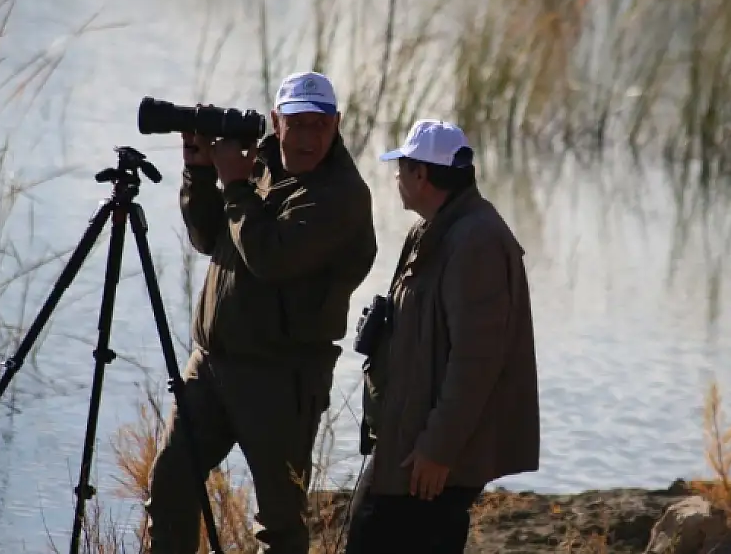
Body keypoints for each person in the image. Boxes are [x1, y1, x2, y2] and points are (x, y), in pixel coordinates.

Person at [145, 71, 378, 554]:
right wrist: (199, 172)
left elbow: (271, 258)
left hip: (281, 377)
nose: (309, 136)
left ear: (336, 124)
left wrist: (234, 185)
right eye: (298, 124)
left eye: (320, 124)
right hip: (212, 364)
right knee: (170, 483)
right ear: (276, 120)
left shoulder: (341, 195)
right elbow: (210, 238)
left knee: (279, 524)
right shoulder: (260, 164)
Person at [344, 119, 541, 554]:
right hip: (408, 444)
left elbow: (477, 361)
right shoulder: (434, 229)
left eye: (403, 167)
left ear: (422, 175)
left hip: (430, 462)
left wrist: (438, 448)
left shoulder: (476, 241)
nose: (396, 177)